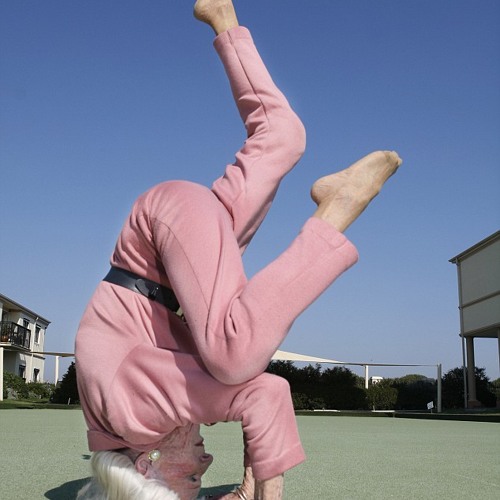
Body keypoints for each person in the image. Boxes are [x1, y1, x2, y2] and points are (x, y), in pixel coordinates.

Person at [75, 1, 402, 499]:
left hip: (162, 243)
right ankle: (223, 18)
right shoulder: (127, 426)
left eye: (191, 477)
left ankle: (338, 208)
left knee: (234, 356)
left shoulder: (133, 417)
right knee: (281, 138)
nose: (207, 461)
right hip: (188, 253)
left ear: (146, 465)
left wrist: (259, 493)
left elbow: (261, 393)